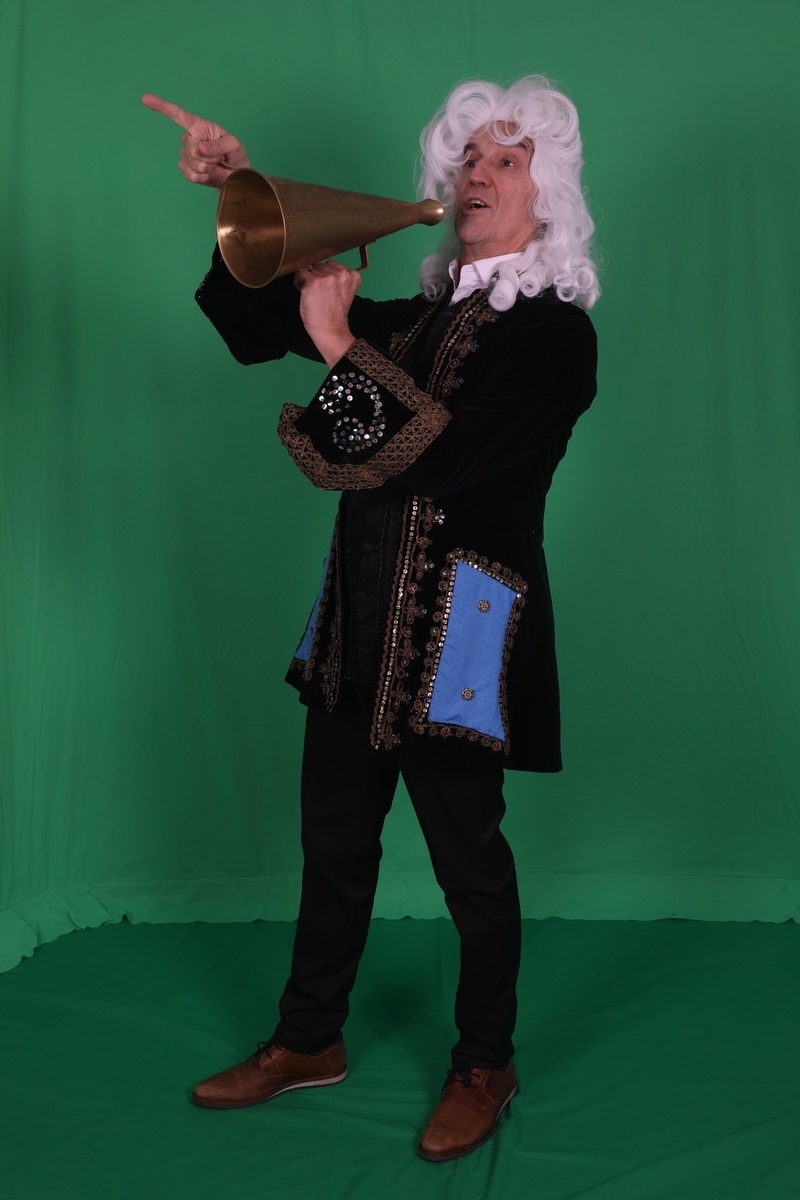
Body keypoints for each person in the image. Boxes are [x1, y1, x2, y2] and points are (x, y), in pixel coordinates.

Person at [142, 76, 599, 1162]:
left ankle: (484, 1060)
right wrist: (237, 192)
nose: (476, 173)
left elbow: (442, 460)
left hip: (461, 637)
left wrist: (342, 342)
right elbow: (252, 327)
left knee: (468, 864)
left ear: (548, 192)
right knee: (334, 845)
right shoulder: (417, 318)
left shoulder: (554, 337)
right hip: (356, 619)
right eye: (468, 157)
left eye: (506, 159)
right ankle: (309, 1039)